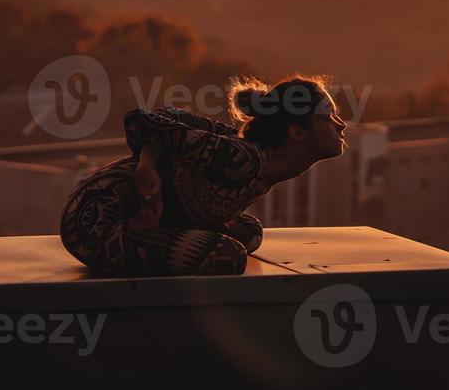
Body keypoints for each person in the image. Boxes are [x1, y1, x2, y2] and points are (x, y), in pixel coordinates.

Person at [59, 75, 348, 276]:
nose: (342, 125)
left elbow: (173, 116)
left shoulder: (246, 152)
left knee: (250, 232)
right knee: (226, 256)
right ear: (296, 132)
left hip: (131, 221)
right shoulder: (238, 158)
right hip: (95, 223)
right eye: (328, 118)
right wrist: (149, 186)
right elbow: (147, 119)